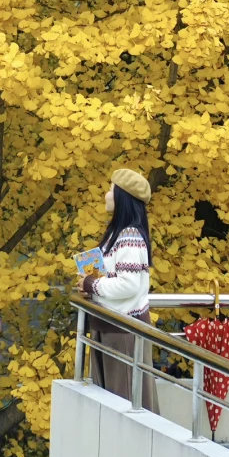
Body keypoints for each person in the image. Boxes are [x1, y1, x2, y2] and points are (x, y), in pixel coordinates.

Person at [77, 166, 157, 410]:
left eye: (111, 189)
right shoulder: (120, 234)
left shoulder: (129, 236)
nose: (106, 194)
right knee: (116, 400)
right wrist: (90, 286)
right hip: (113, 327)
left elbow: (128, 285)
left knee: (123, 401)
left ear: (123, 197)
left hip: (123, 330)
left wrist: (92, 284)